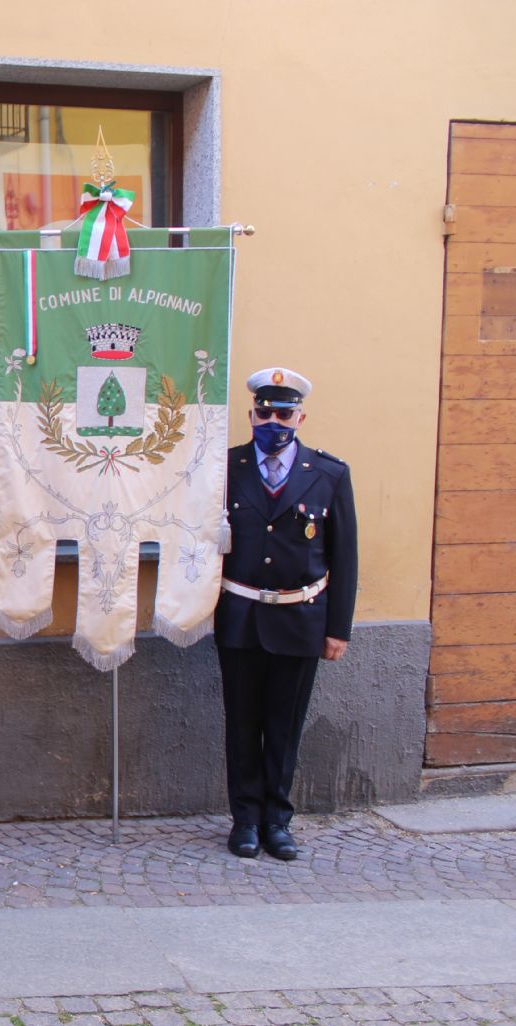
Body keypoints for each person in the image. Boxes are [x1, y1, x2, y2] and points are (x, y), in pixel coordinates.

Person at [216, 367, 358, 862]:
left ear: (300, 418)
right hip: (240, 615)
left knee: (284, 725)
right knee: (242, 724)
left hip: (301, 620)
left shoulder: (329, 474)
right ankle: (244, 820)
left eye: (283, 414)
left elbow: (344, 557)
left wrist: (338, 629)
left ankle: (277, 821)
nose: (273, 422)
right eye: (264, 413)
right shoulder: (224, 469)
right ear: (251, 414)